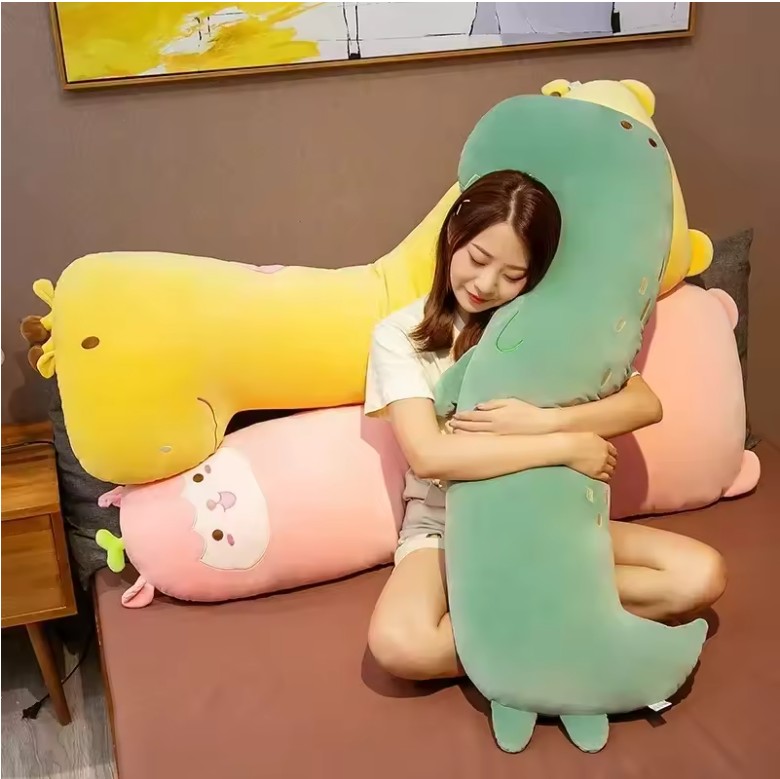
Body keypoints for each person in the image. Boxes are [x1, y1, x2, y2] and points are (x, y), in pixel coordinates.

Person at [364, 169, 727, 682]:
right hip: (447, 524)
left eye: (513, 275)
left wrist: (542, 422)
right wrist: (565, 447)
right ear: (453, 236)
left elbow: (644, 404)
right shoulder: (401, 335)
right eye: (478, 259)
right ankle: (572, 623)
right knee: (403, 646)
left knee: (700, 576)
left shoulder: (546, 327)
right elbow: (429, 456)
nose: (486, 285)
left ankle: (526, 625)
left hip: (546, 517)